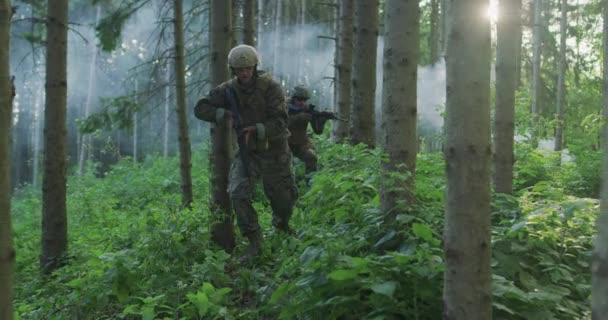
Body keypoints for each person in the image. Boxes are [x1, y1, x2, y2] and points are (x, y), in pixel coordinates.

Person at [194, 45, 297, 261]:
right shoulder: (228, 89)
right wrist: (224, 114)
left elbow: (280, 122)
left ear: (254, 67)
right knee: (237, 193)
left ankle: (282, 227)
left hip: (274, 150)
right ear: (233, 70)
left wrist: (257, 129)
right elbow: (201, 108)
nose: (244, 73)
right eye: (240, 70)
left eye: (248, 69)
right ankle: (255, 241)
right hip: (248, 152)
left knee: (283, 200)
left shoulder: (271, 88)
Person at [287, 85, 340, 175]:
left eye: (304, 100)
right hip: (284, 143)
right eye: (299, 100)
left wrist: (322, 120)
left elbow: (318, 131)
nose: (302, 102)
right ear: (293, 99)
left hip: (300, 144)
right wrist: (299, 118)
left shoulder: (307, 110)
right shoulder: (283, 107)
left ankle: (309, 181)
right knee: (285, 165)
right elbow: (280, 124)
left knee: (311, 157)